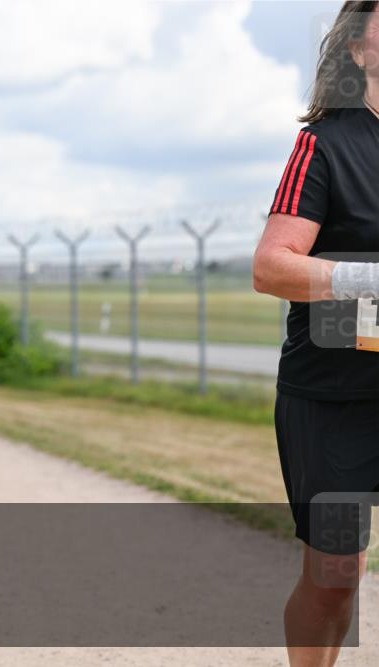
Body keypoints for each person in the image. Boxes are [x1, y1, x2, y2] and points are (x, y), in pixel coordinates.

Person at [252, 3, 378, 665]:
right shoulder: (326, 144)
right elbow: (271, 267)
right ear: (358, 50)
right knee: (334, 573)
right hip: (333, 396)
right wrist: (371, 281)